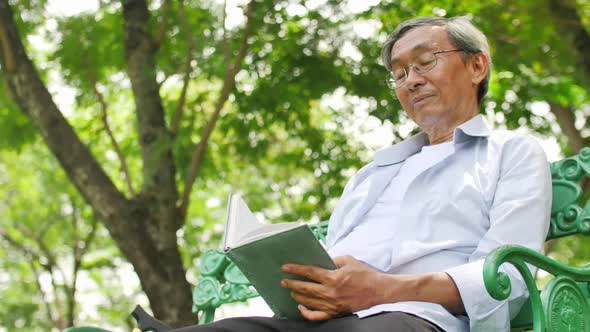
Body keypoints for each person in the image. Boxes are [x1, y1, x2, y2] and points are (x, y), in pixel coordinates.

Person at [148, 15, 552, 332]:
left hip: (418, 321)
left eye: (426, 61)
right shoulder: (371, 174)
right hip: (328, 321)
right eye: (399, 73)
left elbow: (508, 279)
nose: (411, 80)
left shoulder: (511, 153)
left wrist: (382, 289)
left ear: (477, 66)